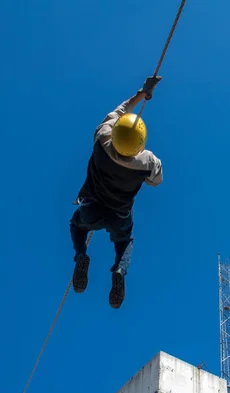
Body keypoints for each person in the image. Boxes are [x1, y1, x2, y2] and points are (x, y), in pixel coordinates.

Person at [69, 76, 163, 309]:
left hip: (92, 207)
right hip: (119, 215)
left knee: (76, 225)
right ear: (139, 143)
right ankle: (120, 270)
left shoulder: (102, 137)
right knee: (125, 241)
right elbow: (155, 181)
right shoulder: (147, 160)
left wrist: (142, 93)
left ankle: (81, 255)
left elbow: (119, 111)